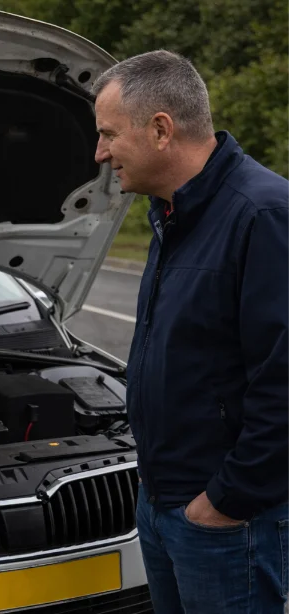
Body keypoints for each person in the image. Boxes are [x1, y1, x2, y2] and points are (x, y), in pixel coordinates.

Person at [93, 50, 289, 613]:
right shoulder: (174, 213)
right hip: (163, 504)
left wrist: (225, 502)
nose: (100, 153)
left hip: (225, 521)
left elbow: (284, 383)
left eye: (109, 134)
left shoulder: (264, 215)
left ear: (160, 129)